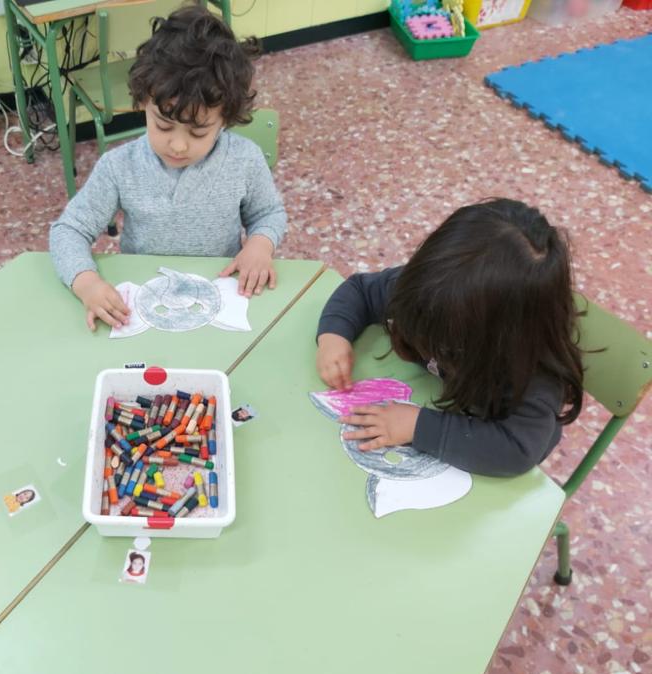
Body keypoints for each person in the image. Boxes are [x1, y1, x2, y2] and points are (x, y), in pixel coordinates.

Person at [50, 2, 287, 330]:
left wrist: (261, 244)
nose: (177, 145)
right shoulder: (119, 166)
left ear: (225, 119)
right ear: (143, 103)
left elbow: (269, 214)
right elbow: (69, 230)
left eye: (198, 132)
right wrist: (86, 282)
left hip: (218, 298)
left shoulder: (244, 159)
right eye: (163, 125)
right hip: (144, 305)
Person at [315, 198, 584, 477]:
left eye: (446, 340)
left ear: (501, 337)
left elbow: (516, 450)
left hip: (484, 449)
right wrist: (334, 336)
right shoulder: (432, 292)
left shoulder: (532, 375)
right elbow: (360, 290)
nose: (428, 340)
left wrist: (418, 427)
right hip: (440, 399)